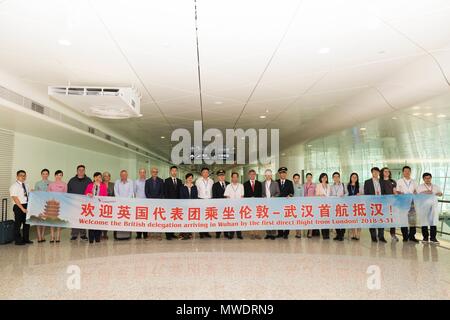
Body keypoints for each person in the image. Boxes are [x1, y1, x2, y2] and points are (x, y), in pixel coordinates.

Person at [68, 165, 92, 241]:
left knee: (83, 219)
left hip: (84, 204)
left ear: (84, 171)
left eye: (82, 170)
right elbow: (68, 191)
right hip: (74, 203)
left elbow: (91, 191)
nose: (81, 171)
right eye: (79, 170)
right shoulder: (72, 180)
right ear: (77, 171)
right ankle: (74, 234)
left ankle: (83, 234)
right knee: (74, 219)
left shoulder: (88, 180)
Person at [417, 173, 443, 244]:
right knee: (424, 223)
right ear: (423, 179)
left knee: (433, 223)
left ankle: (433, 238)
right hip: (424, 207)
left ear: (431, 178)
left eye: (429, 178)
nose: (428, 179)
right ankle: (425, 238)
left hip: (433, 207)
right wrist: (424, 192)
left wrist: (439, 193)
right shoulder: (420, 187)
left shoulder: (435, 186)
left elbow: (441, 193)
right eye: (426, 178)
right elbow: (417, 195)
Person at [364, 167, 387, 243]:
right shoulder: (367, 182)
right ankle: (373, 236)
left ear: (379, 173)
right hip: (372, 204)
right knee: (372, 220)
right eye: (374, 172)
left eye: (377, 172)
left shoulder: (382, 181)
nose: (376, 173)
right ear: (372, 173)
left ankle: (381, 236)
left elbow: (385, 192)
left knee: (381, 220)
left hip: (381, 204)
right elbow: (366, 193)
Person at [396, 166, 419, 242]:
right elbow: (397, 191)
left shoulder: (414, 181)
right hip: (403, 202)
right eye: (405, 171)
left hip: (412, 202)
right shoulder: (399, 181)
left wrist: (415, 192)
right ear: (403, 172)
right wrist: (400, 193)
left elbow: (416, 191)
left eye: (408, 171)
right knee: (403, 219)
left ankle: (412, 236)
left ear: (410, 172)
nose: (407, 172)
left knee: (412, 220)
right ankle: (405, 236)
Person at [9, 170, 32, 245]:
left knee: (26, 223)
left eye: (24, 175)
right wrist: (22, 208)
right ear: (17, 176)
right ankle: (18, 240)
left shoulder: (26, 185)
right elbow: (15, 198)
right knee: (18, 224)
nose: (23, 177)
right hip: (18, 206)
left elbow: (29, 194)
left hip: (26, 205)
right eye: (21, 175)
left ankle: (26, 239)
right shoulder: (14, 186)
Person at [84, 172, 108, 243]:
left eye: (100, 177)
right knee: (91, 222)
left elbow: (105, 196)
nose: (98, 178)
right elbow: (85, 193)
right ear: (94, 178)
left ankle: (97, 238)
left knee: (98, 223)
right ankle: (91, 239)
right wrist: (88, 194)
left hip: (99, 207)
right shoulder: (90, 185)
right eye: (96, 177)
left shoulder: (103, 186)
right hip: (91, 207)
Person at [144, 167, 164, 240]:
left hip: (158, 203)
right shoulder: (147, 181)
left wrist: (157, 200)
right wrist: (151, 200)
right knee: (150, 218)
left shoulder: (161, 181)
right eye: (153, 172)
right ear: (151, 172)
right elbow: (146, 192)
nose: (154, 173)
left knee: (159, 218)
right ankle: (149, 235)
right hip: (150, 203)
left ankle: (159, 234)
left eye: (156, 172)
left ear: (157, 173)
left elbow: (162, 192)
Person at [47, 170, 67, 243]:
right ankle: (52, 237)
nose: (59, 176)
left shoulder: (64, 184)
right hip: (52, 205)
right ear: (55, 176)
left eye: (61, 175)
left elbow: (65, 195)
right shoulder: (51, 184)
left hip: (60, 205)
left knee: (59, 221)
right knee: (52, 221)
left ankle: (58, 236)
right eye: (58, 175)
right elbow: (48, 195)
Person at [380, 167, 399, 242]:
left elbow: (395, 191)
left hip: (392, 203)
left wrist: (397, 194)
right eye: (385, 171)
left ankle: (393, 234)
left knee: (392, 219)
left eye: (388, 171)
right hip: (382, 204)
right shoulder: (379, 181)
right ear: (382, 172)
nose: (387, 173)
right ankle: (381, 235)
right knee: (382, 219)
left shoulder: (393, 181)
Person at [224, 172, 245, 239]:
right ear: (231, 178)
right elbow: (227, 196)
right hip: (231, 206)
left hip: (239, 206)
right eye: (233, 177)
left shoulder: (241, 186)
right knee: (231, 220)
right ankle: (231, 234)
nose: (235, 178)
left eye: (236, 177)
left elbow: (242, 196)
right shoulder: (228, 186)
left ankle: (239, 234)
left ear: (238, 178)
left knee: (239, 220)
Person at [164, 166, 182, 240]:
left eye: (175, 171)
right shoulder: (166, 180)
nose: (174, 172)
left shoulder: (180, 181)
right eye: (173, 171)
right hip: (169, 203)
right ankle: (168, 235)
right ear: (170, 172)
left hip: (177, 204)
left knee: (174, 218)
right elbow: (165, 192)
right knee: (168, 219)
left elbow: (180, 192)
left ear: (177, 172)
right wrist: (168, 202)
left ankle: (172, 233)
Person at [243, 169, 263, 240]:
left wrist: (256, 198)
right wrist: (250, 198)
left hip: (257, 204)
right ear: (249, 175)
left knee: (257, 219)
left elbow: (260, 194)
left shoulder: (259, 183)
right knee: (250, 219)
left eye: (253, 174)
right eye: (251, 174)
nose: (252, 175)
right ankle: (251, 233)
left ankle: (257, 233)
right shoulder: (245, 184)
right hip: (249, 204)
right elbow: (244, 195)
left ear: (255, 175)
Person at [195, 167, 214, 239]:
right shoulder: (198, 181)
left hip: (209, 200)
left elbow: (212, 191)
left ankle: (207, 232)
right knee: (201, 217)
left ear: (208, 173)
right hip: (201, 199)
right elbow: (196, 190)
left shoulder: (211, 181)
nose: (205, 173)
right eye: (204, 172)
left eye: (207, 172)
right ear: (201, 173)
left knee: (208, 217)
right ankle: (201, 233)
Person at [179, 173, 198, 240]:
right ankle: (182, 234)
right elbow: (181, 196)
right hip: (184, 206)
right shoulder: (182, 186)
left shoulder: (194, 187)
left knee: (190, 220)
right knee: (184, 220)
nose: (190, 179)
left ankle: (189, 234)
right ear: (186, 179)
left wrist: (193, 204)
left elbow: (195, 196)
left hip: (192, 206)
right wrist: (186, 204)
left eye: (191, 178)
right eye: (188, 178)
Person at [262, 169, 280, 240]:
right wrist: (263, 197)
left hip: (273, 204)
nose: (268, 176)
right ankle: (268, 233)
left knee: (273, 218)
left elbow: (278, 192)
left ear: (271, 175)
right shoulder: (262, 183)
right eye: (267, 175)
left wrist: (274, 197)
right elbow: (262, 193)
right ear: (265, 176)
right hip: (266, 204)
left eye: (269, 175)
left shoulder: (275, 183)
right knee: (267, 219)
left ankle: (273, 234)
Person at [276, 167, 294, 239]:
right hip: (278, 204)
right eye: (281, 173)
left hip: (287, 204)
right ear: (279, 174)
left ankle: (286, 233)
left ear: (286, 174)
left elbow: (292, 192)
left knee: (287, 218)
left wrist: (289, 195)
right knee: (279, 218)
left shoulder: (289, 182)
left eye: (284, 173)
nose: (283, 174)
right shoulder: (275, 182)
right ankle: (280, 233)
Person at [34, 168, 51, 243]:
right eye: (43, 174)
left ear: (48, 175)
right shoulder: (37, 183)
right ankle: (39, 236)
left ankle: (43, 235)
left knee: (44, 221)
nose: (45, 175)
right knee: (39, 220)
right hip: (39, 204)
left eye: (46, 174)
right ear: (41, 174)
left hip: (47, 204)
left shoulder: (51, 183)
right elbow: (35, 194)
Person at [330, 172, 348, 241]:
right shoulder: (331, 186)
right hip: (334, 205)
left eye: (337, 176)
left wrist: (344, 195)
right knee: (336, 220)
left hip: (342, 205)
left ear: (339, 177)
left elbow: (347, 193)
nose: (336, 178)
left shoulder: (343, 185)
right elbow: (330, 195)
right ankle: (338, 234)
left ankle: (342, 234)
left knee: (342, 220)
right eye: (334, 177)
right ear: (333, 178)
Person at [212, 169, 229, 238]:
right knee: (218, 219)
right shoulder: (215, 185)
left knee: (226, 219)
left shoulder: (228, 184)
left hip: (227, 205)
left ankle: (226, 233)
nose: (221, 177)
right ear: (217, 177)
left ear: (225, 176)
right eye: (220, 175)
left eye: (223, 175)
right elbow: (214, 196)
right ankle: (218, 233)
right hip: (218, 206)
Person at [315, 173, 330, 239]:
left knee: (327, 220)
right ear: (320, 178)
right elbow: (316, 194)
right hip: (321, 205)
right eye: (323, 177)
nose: (324, 178)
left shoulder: (329, 186)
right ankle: (324, 234)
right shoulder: (318, 185)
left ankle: (327, 234)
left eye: (325, 177)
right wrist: (321, 195)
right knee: (323, 220)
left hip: (328, 205)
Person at [134, 168, 148, 239]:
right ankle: (138, 234)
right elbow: (134, 192)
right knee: (139, 219)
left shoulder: (148, 181)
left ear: (145, 173)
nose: (142, 174)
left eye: (143, 172)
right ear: (139, 173)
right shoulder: (136, 182)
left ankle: (145, 234)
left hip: (146, 203)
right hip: (138, 203)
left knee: (146, 219)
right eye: (141, 172)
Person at [347, 172, 362, 240]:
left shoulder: (360, 185)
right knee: (352, 220)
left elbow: (363, 193)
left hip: (358, 205)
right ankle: (353, 234)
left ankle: (358, 234)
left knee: (358, 220)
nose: (354, 178)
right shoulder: (347, 185)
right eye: (353, 177)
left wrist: (360, 194)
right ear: (350, 178)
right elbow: (346, 194)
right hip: (350, 205)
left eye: (355, 177)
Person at [303, 173, 317, 238]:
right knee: (307, 218)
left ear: (312, 178)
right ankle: (309, 230)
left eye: (310, 177)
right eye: (308, 177)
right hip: (306, 204)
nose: (309, 178)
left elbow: (316, 193)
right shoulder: (304, 185)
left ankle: (310, 232)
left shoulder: (314, 185)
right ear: (306, 178)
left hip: (313, 203)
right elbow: (303, 194)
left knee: (312, 217)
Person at [102, 171, 115, 239]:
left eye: (107, 176)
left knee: (107, 219)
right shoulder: (100, 184)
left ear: (109, 177)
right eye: (105, 176)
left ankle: (105, 233)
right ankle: (100, 233)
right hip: (101, 204)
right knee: (101, 219)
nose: (106, 177)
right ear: (103, 177)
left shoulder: (113, 184)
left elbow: (115, 194)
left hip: (110, 204)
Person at [292, 173, 304, 239]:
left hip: (299, 205)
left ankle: (299, 233)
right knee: (295, 219)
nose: (296, 179)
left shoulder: (301, 186)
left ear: (299, 179)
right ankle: (297, 232)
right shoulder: (291, 186)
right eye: (295, 178)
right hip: (293, 206)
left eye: (297, 178)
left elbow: (302, 196)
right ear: (293, 179)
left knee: (299, 219)